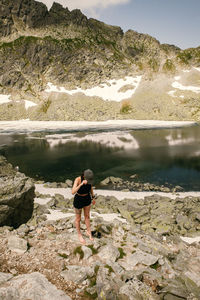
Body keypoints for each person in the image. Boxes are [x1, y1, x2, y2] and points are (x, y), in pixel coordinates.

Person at [72, 169, 96, 244]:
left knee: (87, 216)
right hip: (78, 199)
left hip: (87, 198)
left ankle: (88, 232)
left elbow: (91, 188)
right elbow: (73, 192)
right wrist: (81, 184)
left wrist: (93, 197)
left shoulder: (89, 180)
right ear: (83, 176)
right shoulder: (78, 179)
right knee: (78, 219)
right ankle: (79, 234)